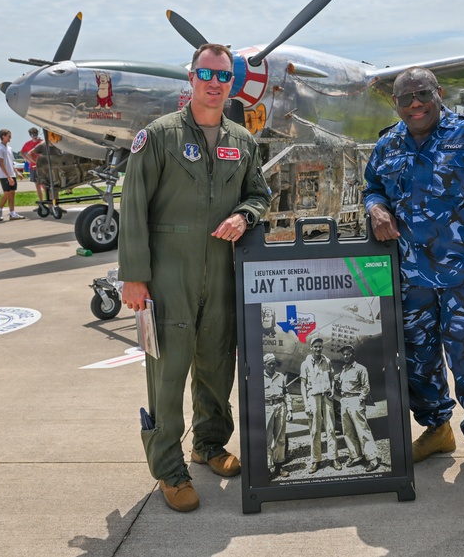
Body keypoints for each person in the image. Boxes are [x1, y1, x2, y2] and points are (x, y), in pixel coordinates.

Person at [118, 43, 270, 513]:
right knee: (167, 374)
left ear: (232, 84)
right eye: (206, 73)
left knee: (217, 365)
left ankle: (208, 444)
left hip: (222, 272)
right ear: (191, 77)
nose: (214, 83)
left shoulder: (242, 140)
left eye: (223, 76)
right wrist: (134, 276)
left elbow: (259, 194)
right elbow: (133, 206)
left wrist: (245, 216)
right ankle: (168, 468)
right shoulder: (158, 136)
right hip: (168, 274)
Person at [363, 66, 464, 484]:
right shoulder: (388, 143)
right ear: (394, 104)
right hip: (411, 277)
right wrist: (375, 208)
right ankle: (437, 430)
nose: (414, 104)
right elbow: (372, 186)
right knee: (417, 362)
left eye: (421, 94)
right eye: (404, 99)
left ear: (438, 93)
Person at [334, 345, 381, 472]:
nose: (345, 356)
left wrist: (361, 400)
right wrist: (336, 381)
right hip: (344, 401)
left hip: (355, 400)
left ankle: (372, 459)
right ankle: (355, 456)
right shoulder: (343, 370)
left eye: (348, 354)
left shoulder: (361, 369)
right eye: (343, 354)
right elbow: (341, 388)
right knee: (347, 431)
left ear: (353, 355)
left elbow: (366, 387)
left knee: (362, 430)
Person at [299, 337, 341, 474]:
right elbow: (303, 385)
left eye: (320, 346)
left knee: (331, 428)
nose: (318, 349)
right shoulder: (305, 364)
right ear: (311, 347)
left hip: (327, 397)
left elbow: (331, 379)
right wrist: (306, 403)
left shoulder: (327, 361)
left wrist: (333, 390)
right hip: (313, 398)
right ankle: (316, 460)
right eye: (315, 346)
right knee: (315, 430)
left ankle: (334, 458)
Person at [262, 353, 291, 478]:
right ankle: (268, 467)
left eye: (274, 363)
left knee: (280, 438)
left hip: (280, 407)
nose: (272, 366)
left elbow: (286, 394)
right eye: (269, 364)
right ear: (264, 365)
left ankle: (279, 467)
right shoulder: (259, 377)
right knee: (266, 439)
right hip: (267, 407)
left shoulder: (281, 377)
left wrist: (289, 409)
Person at [0, 129, 24, 221]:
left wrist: (17, 172)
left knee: (12, 194)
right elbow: (1, 163)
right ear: (3, 136)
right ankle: (0, 211)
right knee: (7, 194)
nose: (10, 137)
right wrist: (8, 176)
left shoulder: (9, 148)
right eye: (8, 136)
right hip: (4, 175)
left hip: (11, 174)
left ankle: (12, 213)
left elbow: (11, 162)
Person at [20, 127, 45, 202]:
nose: (35, 135)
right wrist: (28, 160)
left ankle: (49, 202)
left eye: (36, 134)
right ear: (30, 135)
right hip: (33, 167)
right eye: (33, 134)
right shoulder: (27, 144)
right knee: (37, 185)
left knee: (44, 185)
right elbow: (22, 152)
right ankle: (41, 201)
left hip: (42, 167)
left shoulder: (42, 142)